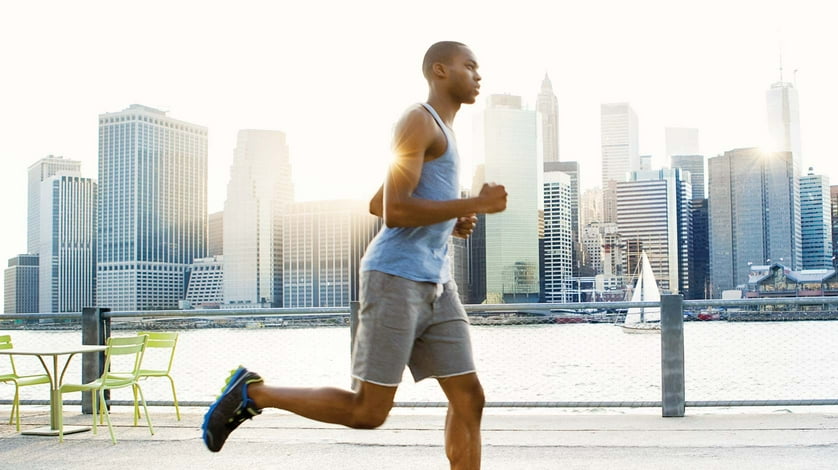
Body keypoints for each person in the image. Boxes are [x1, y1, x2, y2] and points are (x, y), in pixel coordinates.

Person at [202, 41, 507, 470]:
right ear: (439, 70)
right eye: (470, 66)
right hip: (395, 279)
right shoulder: (418, 120)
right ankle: (253, 393)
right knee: (368, 411)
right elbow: (394, 210)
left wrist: (452, 219)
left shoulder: (447, 135)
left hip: (439, 285)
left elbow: (376, 200)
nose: (479, 75)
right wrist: (471, 204)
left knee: (469, 398)